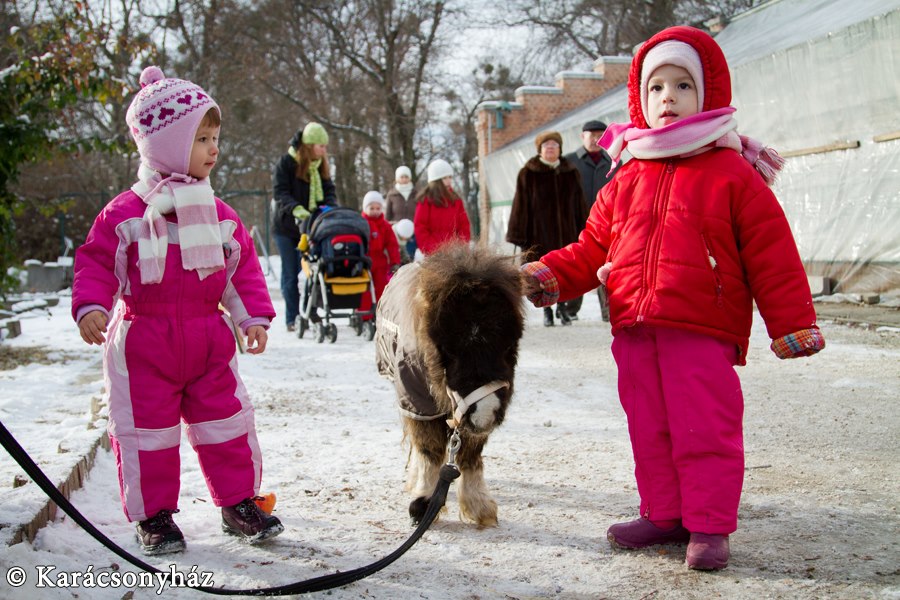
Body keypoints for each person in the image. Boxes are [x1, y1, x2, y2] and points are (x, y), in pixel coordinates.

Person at [520, 26, 825, 571]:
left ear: (707, 94)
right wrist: (546, 274)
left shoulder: (732, 171)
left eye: (684, 85)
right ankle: (665, 513)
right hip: (635, 325)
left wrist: (791, 323)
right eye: (657, 86)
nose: (669, 97)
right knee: (650, 425)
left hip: (701, 326)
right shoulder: (627, 174)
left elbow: (771, 253)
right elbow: (593, 247)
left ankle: (708, 526)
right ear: (641, 98)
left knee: (703, 425)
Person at [72, 66, 284, 556]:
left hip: (209, 338)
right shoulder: (125, 213)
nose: (214, 149)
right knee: (147, 432)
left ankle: (238, 502)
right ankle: (155, 516)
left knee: (227, 422)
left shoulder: (220, 214)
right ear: (164, 145)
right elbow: (99, 261)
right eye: (201, 138)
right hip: (145, 341)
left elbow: (240, 271)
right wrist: (91, 305)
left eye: (216, 137)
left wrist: (252, 317)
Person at [506, 131, 587, 327]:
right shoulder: (528, 173)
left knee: (564, 270)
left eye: (554, 144)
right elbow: (520, 205)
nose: (550, 147)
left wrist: (585, 230)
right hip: (537, 234)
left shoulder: (571, 172)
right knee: (538, 272)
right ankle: (547, 310)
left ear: (560, 149)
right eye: (546, 145)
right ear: (540, 150)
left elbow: (580, 205)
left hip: (566, 233)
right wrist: (518, 233)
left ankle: (563, 308)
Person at [272, 122, 337, 331]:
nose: (324, 150)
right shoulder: (286, 163)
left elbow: (329, 191)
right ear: (309, 146)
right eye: (321, 146)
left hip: (312, 227)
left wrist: (329, 208)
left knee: (314, 271)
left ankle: (310, 311)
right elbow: (280, 192)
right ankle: (292, 318)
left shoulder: (320, 167)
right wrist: (296, 208)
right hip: (287, 227)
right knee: (290, 273)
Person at [563, 120, 617, 322]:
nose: (595, 139)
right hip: (575, 221)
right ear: (582, 137)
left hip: (606, 222)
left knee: (606, 264)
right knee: (577, 262)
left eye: (600, 136)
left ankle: (607, 310)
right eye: (591, 135)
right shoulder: (568, 161)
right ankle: (570, 308)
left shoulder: (613, 161)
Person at [413, 159, 471, 257]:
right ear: (436, 181)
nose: (449, 181)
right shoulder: (426, 200)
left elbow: (464, 225)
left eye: (450, 177)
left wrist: (461, 246)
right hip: (434, 255)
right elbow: (420, 227)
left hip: (456, 253)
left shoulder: (456, 199)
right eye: (444, 178)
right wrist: (433, 249)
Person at [358, 191, 401, 320]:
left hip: (380, 261)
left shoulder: (385, 225)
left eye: (378, 208)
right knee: (365, 289)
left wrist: (394, 262)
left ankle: (381, 313)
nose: (375, 211)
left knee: (381, 288)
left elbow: (392, 245)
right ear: (365, 208)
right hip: (365, 260)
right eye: (371, 208)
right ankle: (364, 315)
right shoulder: (361, 223)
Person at [385, 165, 418, 257]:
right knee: (399, 257)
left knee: (412, 257)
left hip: (413, 231)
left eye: (406, 177)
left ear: (410, 178)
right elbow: (387, 215)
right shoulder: (391, 195)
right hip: (397, 232)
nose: (404, 179)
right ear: (397, 178)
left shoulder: (416, 194)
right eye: (402, 177)